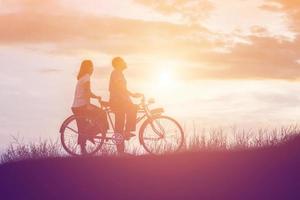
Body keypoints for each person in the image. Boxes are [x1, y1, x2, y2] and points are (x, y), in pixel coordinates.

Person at [72, 60, 107, 154]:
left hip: (76, 106)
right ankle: (92, 133)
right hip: (83, 106)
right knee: (102, 113)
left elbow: (87, 92)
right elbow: (87, 92)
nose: (93, 69)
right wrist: (88, 105)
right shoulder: (87, 77)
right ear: (89, 68)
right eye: (92, 67)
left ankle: (83, 149)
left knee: (82, 128)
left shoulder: (81, 78)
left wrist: (96, 97)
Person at [109, 57, 142, 152]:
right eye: (123, 61)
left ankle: (121, 150)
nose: (125, 62)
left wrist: (132, 95)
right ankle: (127, 133)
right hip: (117, 101)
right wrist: (131, 96)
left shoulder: (119, 73)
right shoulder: (116, 73)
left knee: (119, 124)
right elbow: (120, 88)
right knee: (130, 111)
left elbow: (122, 88)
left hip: (120, 101)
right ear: (119, 63)